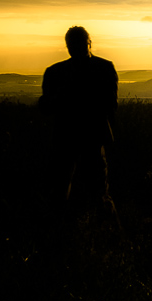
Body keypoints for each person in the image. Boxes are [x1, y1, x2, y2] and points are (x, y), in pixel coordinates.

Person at [40, 26, 119, 222]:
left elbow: (45, 107)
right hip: (89, 137)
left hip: (68, 137)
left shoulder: (55, 72)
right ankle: (108, 232)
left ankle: (58, 230)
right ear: (89, 43)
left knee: (63, 189)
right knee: (96, 190)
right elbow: (111, 106)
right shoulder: (104, 68)